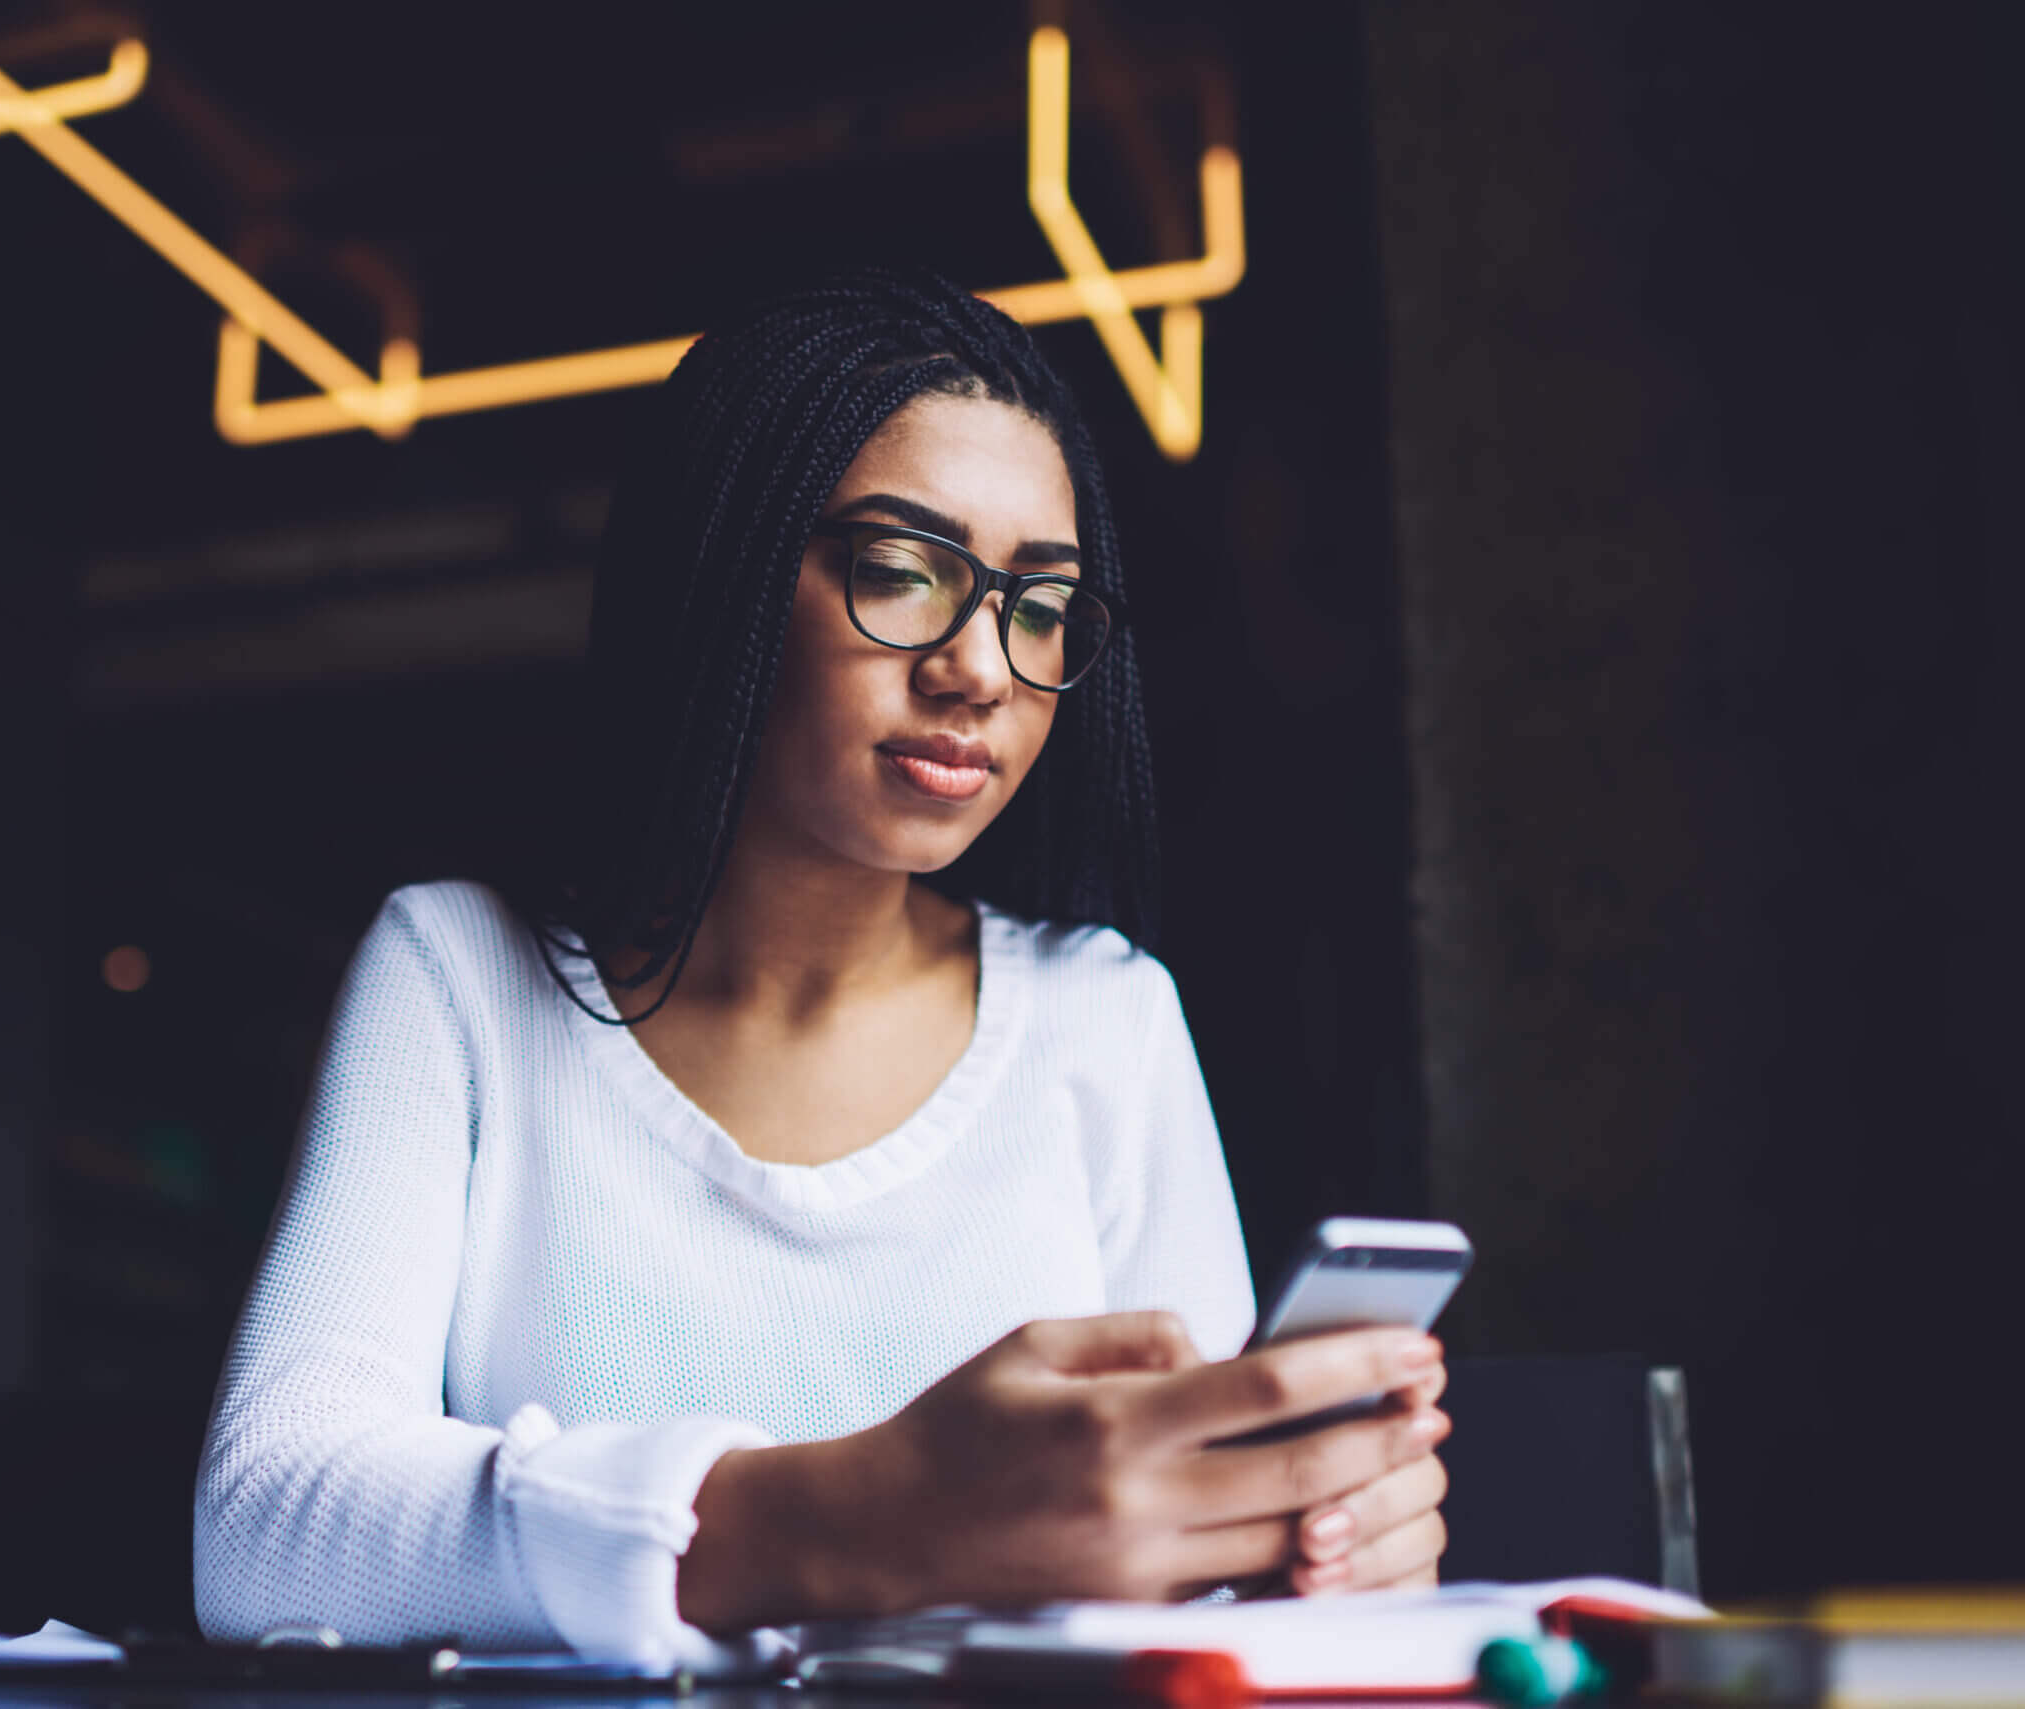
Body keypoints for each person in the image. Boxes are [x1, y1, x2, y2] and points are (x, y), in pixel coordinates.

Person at [193, 269, 1450, 1666]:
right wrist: (870, 1517)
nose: (981, 668)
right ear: (724, 568)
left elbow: (1184, 1587)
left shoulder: (1107, 1018)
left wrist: (1312, 1536)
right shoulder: (457, 974)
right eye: (903, 571)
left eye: (1041, 608)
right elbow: (265, 1524)